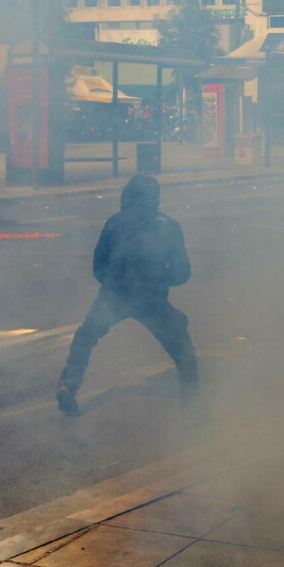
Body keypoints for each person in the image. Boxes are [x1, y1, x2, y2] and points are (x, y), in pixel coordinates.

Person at [56, 175, 201, 420]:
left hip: (114, 295)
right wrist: (156, 278)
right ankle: (194, 409)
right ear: (155, 197)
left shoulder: (114, 222)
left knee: (86, 337)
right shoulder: (169, 225)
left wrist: (115, 282)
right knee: (183, 352)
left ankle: (68, 385)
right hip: (151, 299)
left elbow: (98, 265)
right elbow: (181, 273)